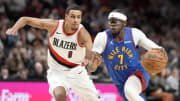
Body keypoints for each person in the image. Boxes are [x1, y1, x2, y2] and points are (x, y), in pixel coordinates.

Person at [6, 4, 100, 101]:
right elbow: (25, 19)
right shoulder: (54, 26)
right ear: (66, 17)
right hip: (57, 70)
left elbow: (90, 66)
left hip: (77, 71)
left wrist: (93, 65)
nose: (75, 20)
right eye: (72, 17)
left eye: (78, 17)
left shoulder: (83, 34)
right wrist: (14, 28)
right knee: (59, 95)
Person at [87, 9, 167, 101]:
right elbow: (92, 65)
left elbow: (158, 49)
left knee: (129, 91)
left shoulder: (134, 34)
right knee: (131, 96)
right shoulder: (102, 37)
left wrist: (158, 61)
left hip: (136, 73)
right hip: (119, 81)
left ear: (124, 23)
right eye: (110, 22)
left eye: (116, 22)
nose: (112, 25)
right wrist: (92, 65)